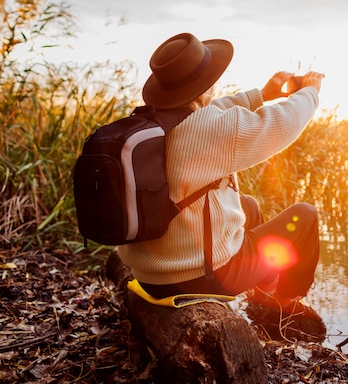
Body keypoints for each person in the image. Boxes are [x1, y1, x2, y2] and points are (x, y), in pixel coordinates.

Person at [116, 32, 325, 339]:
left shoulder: (150, 122)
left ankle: (262, 291)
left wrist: (261, 94)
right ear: (206, 86)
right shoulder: (212, 129)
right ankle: (285, 303)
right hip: (198, 277)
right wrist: (309, 93)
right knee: (305, 216)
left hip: (149, 273)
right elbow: (283, 123)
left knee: (248, 206)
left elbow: (212, 110)